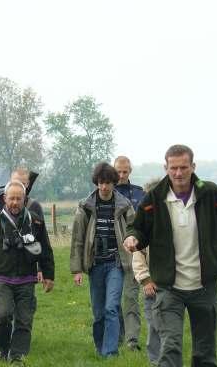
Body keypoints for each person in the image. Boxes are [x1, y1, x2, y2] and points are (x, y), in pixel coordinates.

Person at [123, 144, 217, 367]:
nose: (178, 173)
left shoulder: (211, 194)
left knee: (204, 351)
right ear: (166, 167)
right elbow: (137, 227)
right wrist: (133, 238)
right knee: (170, 346)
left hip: (203, 286)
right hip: (168, 288)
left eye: (183, 167)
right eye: (173, 168)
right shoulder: (154, 198)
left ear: (193, 166)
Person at [0, 180, 55, 364]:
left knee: (24, 321)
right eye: (11, 198)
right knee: (2, 315)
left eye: (19, 199)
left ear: (24, 199)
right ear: (4, 199)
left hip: (27, 280)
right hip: (1, 279)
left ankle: (17, 357)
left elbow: (46, 250)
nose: (15, 203)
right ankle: (3, 349)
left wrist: (48, 275)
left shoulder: (35, 221)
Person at [70, 162, 135, 357]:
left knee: (111, 307)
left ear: (114, 183)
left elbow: (134, 229)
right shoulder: (86, 207)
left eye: (107, 183)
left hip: (116, 262)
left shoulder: (124, 206)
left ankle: (110, 352)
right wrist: (77, 269)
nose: (104, 187)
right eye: (100, 182)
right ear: (96, 183)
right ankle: (100, 348)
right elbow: (77, 239)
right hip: (95, 263)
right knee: (99, 313)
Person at [114, 156, 146, 351]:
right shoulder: (106, 193)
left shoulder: (139, 194)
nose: (122, 175)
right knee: (113, 300)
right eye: (118, 171)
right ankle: (116, 336)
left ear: (130, 171)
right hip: (111, 254)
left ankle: (132, 340)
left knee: (131, 298)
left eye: (125, 171)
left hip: (133, 254)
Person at [132, 178, 162, 366]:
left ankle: (168, 359)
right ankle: (155, 361)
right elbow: (138, 255)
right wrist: (145, 280)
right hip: (152, 283)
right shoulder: (143, 221)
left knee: (169, 328)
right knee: (153, 325)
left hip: (175, 284)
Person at [0, 167, 44, 231]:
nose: (18, 186)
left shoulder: (34, 206)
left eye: (22, 183)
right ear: (10, 182)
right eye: (16, 182)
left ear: (28, 184)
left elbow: (41, 234)